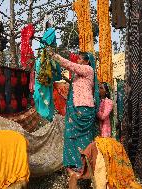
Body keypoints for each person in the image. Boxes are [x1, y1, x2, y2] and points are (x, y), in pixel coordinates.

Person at [48, 50, 100, 184]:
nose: (78, 61)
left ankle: (85, 168)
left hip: (83, 109)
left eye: (80, 59)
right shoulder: (79, 75)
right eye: (78, 59)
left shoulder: (88, 69)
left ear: (87, 61)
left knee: (84, 139)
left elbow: (70, 65)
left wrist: (55, 55)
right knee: (71, 137)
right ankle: (74, 168)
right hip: (77, 108)